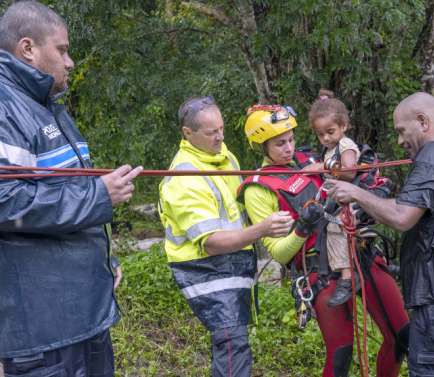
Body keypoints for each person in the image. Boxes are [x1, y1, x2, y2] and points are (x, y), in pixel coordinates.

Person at [0, 2, 143, 376]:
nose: (70, 62)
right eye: (62, 50)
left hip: (83, 315)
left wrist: (101, 262)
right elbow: (5, 203)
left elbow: (66, 198)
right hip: (43, 332)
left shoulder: (47, 107)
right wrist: (99, 195)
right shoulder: (4, 105)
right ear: (28, 48)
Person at [239, 104, 409, 377]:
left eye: (291, 139)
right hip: (321, 272)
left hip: (361, 254)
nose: (289, 148)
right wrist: (302, 227)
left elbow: (353, 166)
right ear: (262, 145)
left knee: (402, 335)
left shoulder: (311, 159)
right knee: (341, 354)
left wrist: (371, 188)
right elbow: (280, 254)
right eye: (280, 143)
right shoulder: (258, 188)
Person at [326, 92, 434, 377]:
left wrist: (355, 192)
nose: (400, 141)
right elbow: (429, 215)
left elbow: (402, 216)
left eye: (402, 131)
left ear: (423, 122)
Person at [158, 96, 293, 377]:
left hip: (232, 263)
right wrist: (262, 229)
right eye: (211, 132)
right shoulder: (185, 177)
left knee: (236, 342)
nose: (220, 137)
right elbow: (211, 242)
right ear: (188, 133)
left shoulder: (223, 155)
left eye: (221, 129)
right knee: (232, 344)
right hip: (204, 269)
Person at [306, 89, 363, 306]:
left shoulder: (345, 145)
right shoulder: (331, 150)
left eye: (330, 131)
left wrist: (321, 166)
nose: (326, 138)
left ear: (343, 126)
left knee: (335, 229)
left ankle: (348, 279)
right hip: (337, 201)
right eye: (321, 135)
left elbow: (349, 170)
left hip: (349, 201)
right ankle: (339, 273)